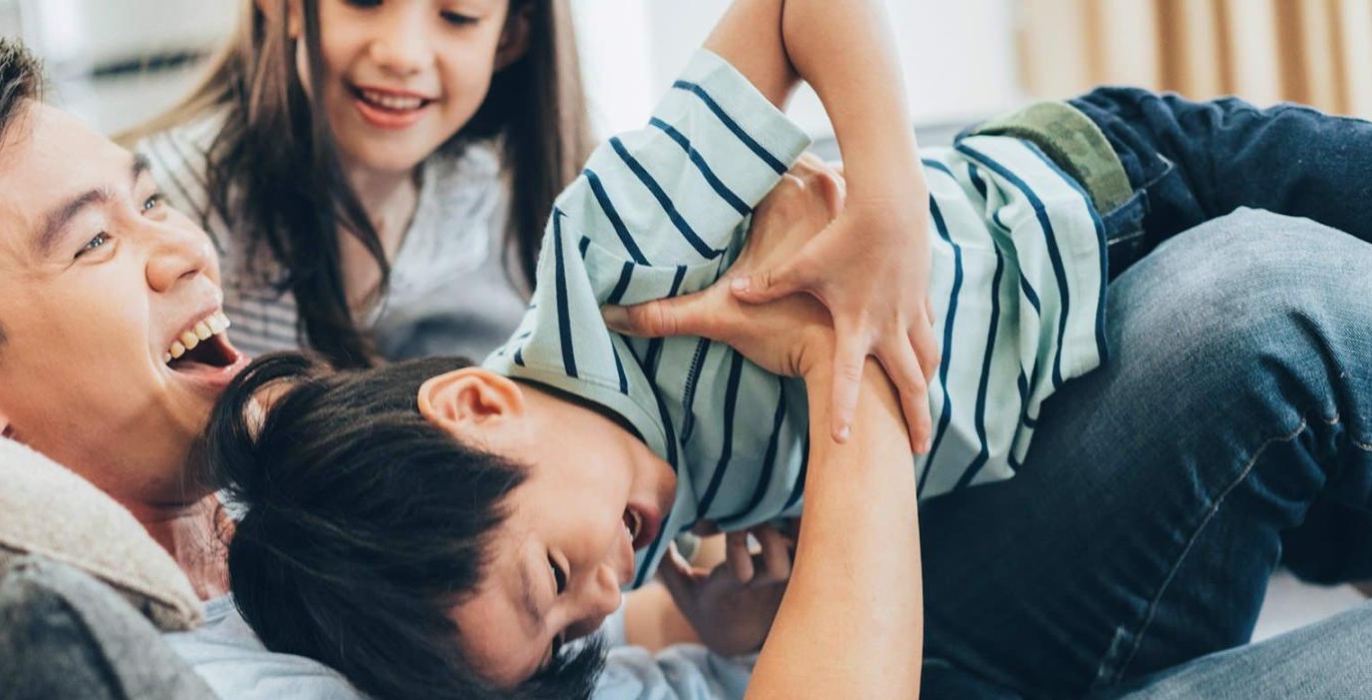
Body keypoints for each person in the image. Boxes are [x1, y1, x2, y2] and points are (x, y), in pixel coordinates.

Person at [0, 16, 1372, 700]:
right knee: (1267, 300)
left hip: (841, 577)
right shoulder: (204, 662)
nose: (176, 250)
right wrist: (836, 368)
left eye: (149, 201)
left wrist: (680, 597)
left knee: (1255, 293)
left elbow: (571, 588)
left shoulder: (288, 508)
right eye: (95, 240)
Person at [199, 0, 1372, 696]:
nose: (603, 598)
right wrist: (716, 626)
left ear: (474, 405)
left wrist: (891, 199)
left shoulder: (609, 262)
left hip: (1102, 197)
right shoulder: (624, 506)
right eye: (570, 633)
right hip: (1049, 395)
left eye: (559, 584)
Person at [118, 0, 592, 366]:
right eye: (364, 0)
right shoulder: (172, 209)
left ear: (510, 38)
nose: (402, 54)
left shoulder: (484, 195)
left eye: (458, 15)